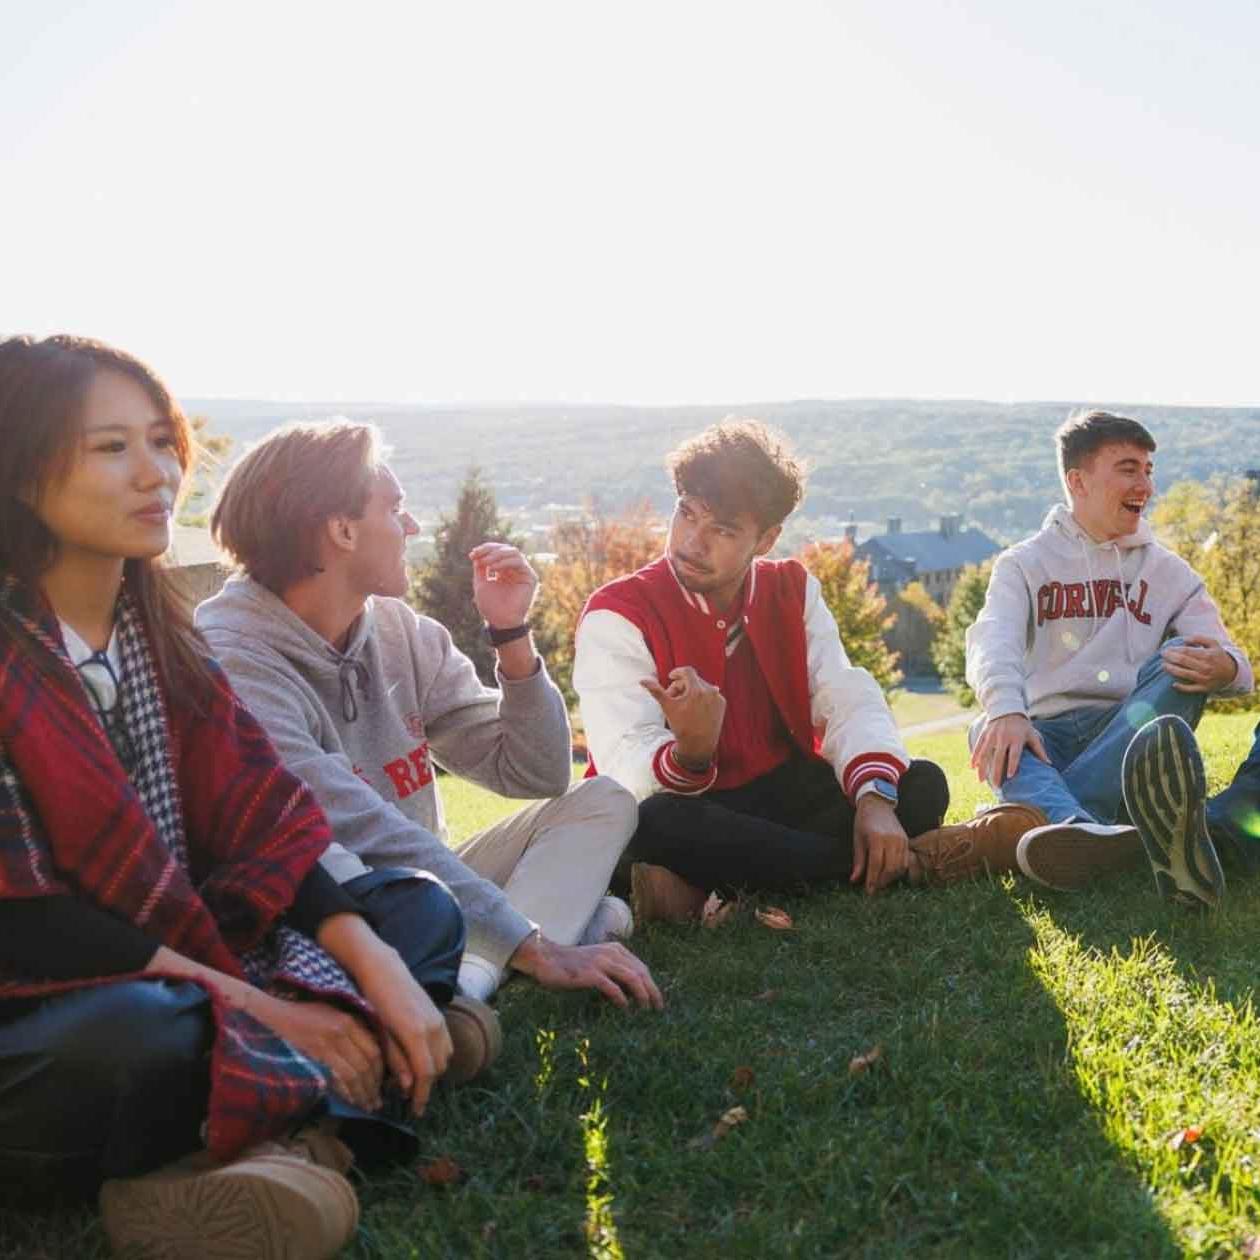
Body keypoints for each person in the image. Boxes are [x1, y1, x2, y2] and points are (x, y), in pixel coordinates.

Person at [0, 336, 481, 1259]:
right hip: (56, 1007)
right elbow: (26, 925)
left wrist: (373, 961)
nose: (158, 474)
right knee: (142, 1035)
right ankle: (352, 1090)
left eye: (161, 441)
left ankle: (281, 1146)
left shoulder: (159, 629)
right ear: (22, 476)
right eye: (111, 448)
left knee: (413, 911)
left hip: (197, 944)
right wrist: (263, 1006)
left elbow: (261, 817)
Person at [197, 420, 662, 1010]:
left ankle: (470, 983)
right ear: (340, 531)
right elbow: (348, 826)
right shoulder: (233, 656)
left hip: (430, 886)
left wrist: (512, 636)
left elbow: (537, 774)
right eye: (395, 508)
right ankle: (506, 958)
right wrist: (535, 943)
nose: (412, 526)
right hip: (328, 898)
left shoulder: (400, 631)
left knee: (604, 801)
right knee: (597, 915)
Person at [572, 418, 1044, 922]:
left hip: (779, 794)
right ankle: (920, 860)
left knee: (919, 783)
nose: (692, 541)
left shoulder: (792, 590)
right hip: (682, 804)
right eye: (686, 515)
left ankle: (701, 894)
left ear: (766, 538)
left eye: (723, 530)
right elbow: (623, 759)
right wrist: (690, 751)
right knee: (658, 822)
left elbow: (844, 696)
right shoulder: (618, 612)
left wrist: (874, 803)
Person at [966, 409, 1253, 903]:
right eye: (1128, 468)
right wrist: (1007, 710)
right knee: (987, 727)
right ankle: (1092, 828)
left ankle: (1065, 825)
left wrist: (1224, 667)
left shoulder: (1169, 571)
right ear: (1077, 481)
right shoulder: (1024, 563)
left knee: (1181, 656)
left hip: (1132, 736)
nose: (1145, 484)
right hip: (1047, 738)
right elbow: (993, 639)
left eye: (1148, 470)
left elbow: (1233, 661)